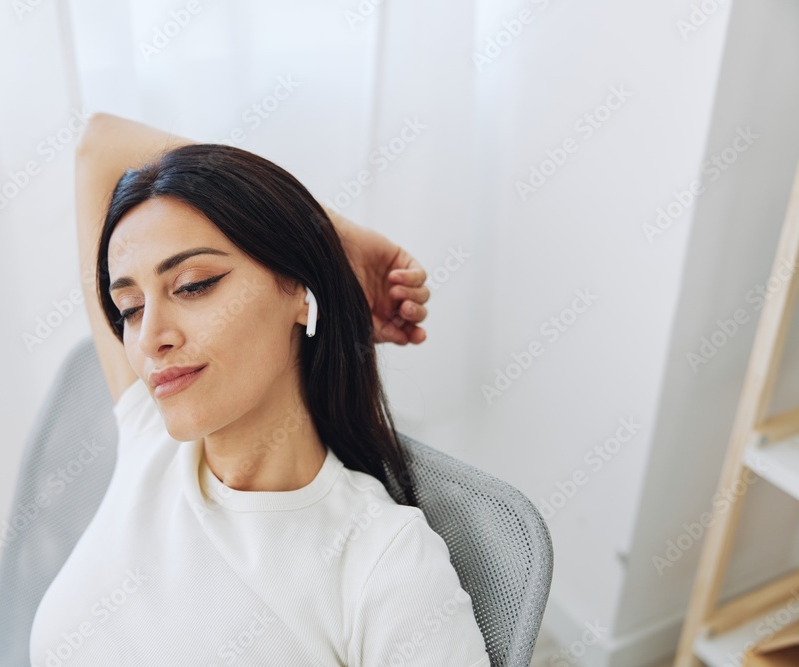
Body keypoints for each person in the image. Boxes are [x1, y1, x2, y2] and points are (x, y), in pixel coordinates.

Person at [28, 113, 491, 666]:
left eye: (193, 285)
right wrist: (335, 233)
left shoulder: (384, 565)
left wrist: (319, 240)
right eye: (129, 307)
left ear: (300, 290)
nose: (149, 337)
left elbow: (102, 145)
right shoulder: (150, 435)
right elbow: (100, 142)